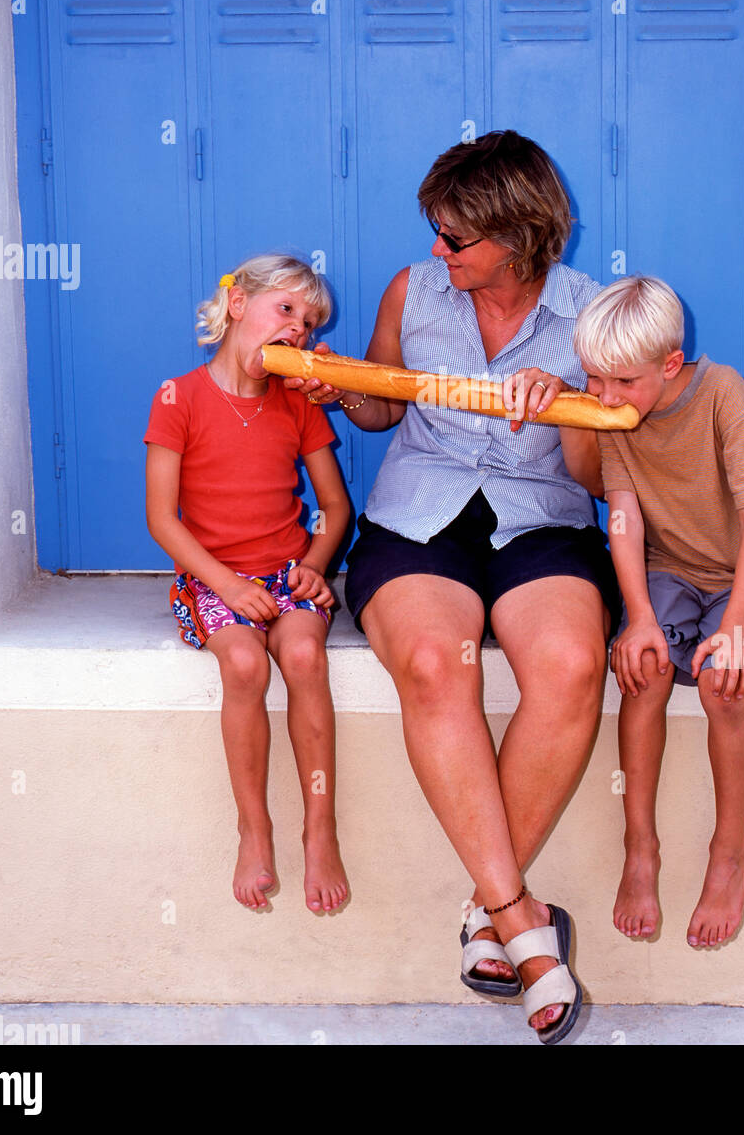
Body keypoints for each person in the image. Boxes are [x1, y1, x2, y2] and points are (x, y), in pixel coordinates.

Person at [283, 131, 620, 1043]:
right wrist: (341, 394)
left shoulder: (589, 314)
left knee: (569, 663)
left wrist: (567, 400)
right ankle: (521, 921)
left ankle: (485, 910)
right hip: (417, 514)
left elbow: (594, 476)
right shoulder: (411, 288)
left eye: (457, 239)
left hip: (539, 517)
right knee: (435, 661)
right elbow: (384, 403)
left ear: (516, 234)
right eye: (435, 232)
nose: (440, 251)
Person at [572, 275, 744, 947]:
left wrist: (734, 631)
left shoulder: (722, 394)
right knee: (641, 669)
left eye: (621, 383)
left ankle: (727, 853)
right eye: (593, 380)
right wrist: (639, 615)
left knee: (720, 684)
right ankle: (639, 846)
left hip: (743, 576)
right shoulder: (614, 411)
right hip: (666, 573)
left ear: (669, 365)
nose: (605, 398)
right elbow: (622, 517)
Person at [144, 254, 351, 915]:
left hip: (287, 571)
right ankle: (253, 826)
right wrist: (228, 587)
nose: (298, 329)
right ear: (237, 306)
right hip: (214, 574)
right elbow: (161, 519)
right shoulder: (178, 397)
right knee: (241, 661)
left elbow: (336, 507)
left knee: (301, 654)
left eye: (309, 321)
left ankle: (319, 827)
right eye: (285, 309)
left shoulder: (296, 401)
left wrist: (315, 564)